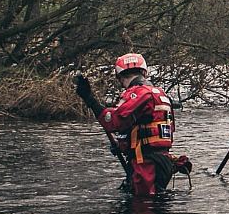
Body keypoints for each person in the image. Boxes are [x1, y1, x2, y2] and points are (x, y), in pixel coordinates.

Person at [76, 53, 185, 196]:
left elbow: (112, 122)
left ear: (121, 77)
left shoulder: (138, 93)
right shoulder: (160, 93)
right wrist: (122, 145)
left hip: (146, 163)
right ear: (143, 71)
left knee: (142, 212)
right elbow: (146, 127)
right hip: (162, 160)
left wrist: (89, 98)